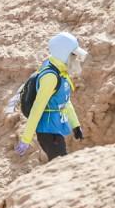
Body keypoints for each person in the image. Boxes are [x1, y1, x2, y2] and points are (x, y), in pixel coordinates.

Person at [16, 32, 87, 161]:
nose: (76, 59)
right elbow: (37, 109)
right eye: (73, 55)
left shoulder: (60, 71)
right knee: (62, 164)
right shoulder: (51, 77)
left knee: (60, 162)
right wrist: (26, 139)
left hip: (55, 129)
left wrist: (75, 125)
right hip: (48, 132)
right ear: (64, 54)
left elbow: (64, 101)